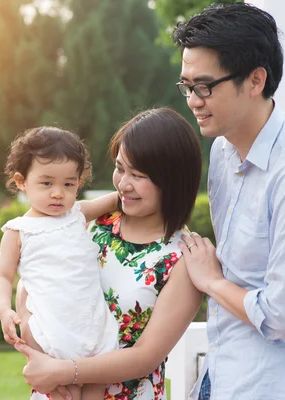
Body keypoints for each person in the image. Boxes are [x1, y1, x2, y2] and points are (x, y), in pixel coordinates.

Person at [172, 3, 285, 399]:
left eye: (204, 86)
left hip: (279, 387)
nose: (193, 101)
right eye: (186, 86)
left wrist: (212, 280)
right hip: (220, 376)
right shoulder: (222, 152)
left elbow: (283, 318)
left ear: (255, 80)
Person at [14, 107, 203, 400]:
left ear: (173, 179)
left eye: (138, 175)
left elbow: (145, 357)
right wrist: (29, 330)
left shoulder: (182, 257)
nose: (123, 184)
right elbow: (33, 276)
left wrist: (62, 371)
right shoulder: (91, 223)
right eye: (120, 168)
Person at [0, 126, 121, 400]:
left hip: (92, 322)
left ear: (79, 182)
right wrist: (4, 310)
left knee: (97, 386)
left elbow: (116, 199)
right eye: (47, 183)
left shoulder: (77, 214)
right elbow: (2, 276)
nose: (58, 193)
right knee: (66, 393)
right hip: (54, 328)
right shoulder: (19, 230)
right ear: (21, 181)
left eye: (68, 184)